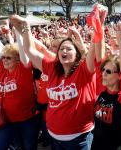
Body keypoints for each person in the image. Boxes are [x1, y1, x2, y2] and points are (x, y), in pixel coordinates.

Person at [10, 14, 97, 150]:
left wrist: (98, 26)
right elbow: (30, 50)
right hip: (55, 138)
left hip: (79, 139)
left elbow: (94, 50)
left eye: (69, 48)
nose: (64, 50)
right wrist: (25, 28)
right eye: (61, 48)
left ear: (77, 54)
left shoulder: (84, 70)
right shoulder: (51, 68)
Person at [91, 21, 121, 150]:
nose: (103, 74)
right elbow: (99, 58)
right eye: (103, 70)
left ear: (119, 76)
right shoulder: (104, 89)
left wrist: (120, 41)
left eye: (109, 71)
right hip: (98, 145)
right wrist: (98, 26)